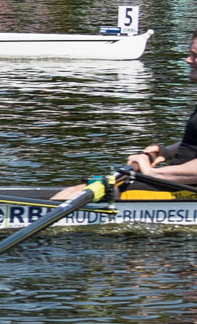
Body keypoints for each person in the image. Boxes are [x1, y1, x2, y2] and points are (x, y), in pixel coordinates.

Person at [57, 31, 197, 199]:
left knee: (78, 195)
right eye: (190, 53)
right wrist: (168, 151)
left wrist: (152, 172)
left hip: (184, 191)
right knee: (76, 191)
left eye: (195, 55)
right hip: (175, 183)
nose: (188, 60)